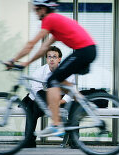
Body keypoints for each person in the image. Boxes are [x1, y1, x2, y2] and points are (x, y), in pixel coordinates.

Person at [7, 0, 96, 137]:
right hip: (88, 50)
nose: (35, 12)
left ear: (44, 9)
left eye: (37, 9)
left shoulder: (50, 19)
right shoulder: (57, 23)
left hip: (84, 51)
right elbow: (43, 49)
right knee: (58, 79)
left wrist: (14, 60)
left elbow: (31, 44)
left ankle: (56, 125)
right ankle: (83, 101)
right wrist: (27, 63)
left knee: (52, 80)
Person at [23, 46, 75, 148]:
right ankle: (29, 141)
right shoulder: (39, 72)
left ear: (59, 59)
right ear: (46, 59)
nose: (51, 59)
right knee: (31, 107)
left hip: (62, 100)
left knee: (74, 107)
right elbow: (35, 91)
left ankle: (75, 141)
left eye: (54, 57)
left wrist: (58, 103)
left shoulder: (67, 71)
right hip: (44, 99)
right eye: (49, 57)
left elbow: (71, 92)